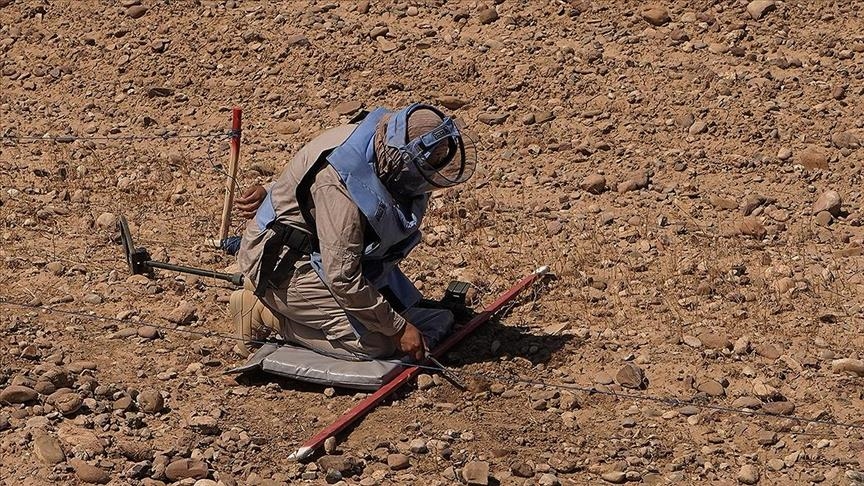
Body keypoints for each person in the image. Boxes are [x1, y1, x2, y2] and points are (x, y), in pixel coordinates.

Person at [229, 103, 476, 362]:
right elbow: (343, 277)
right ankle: (267, 312)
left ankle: (291, 305)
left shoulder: (382, 137)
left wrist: (271, 189)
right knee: (379, 344)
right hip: (284, 263)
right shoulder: (341, 185)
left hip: (324, 250)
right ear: (401, 158)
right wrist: (396, 328)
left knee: (410, 315)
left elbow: (307, 179)